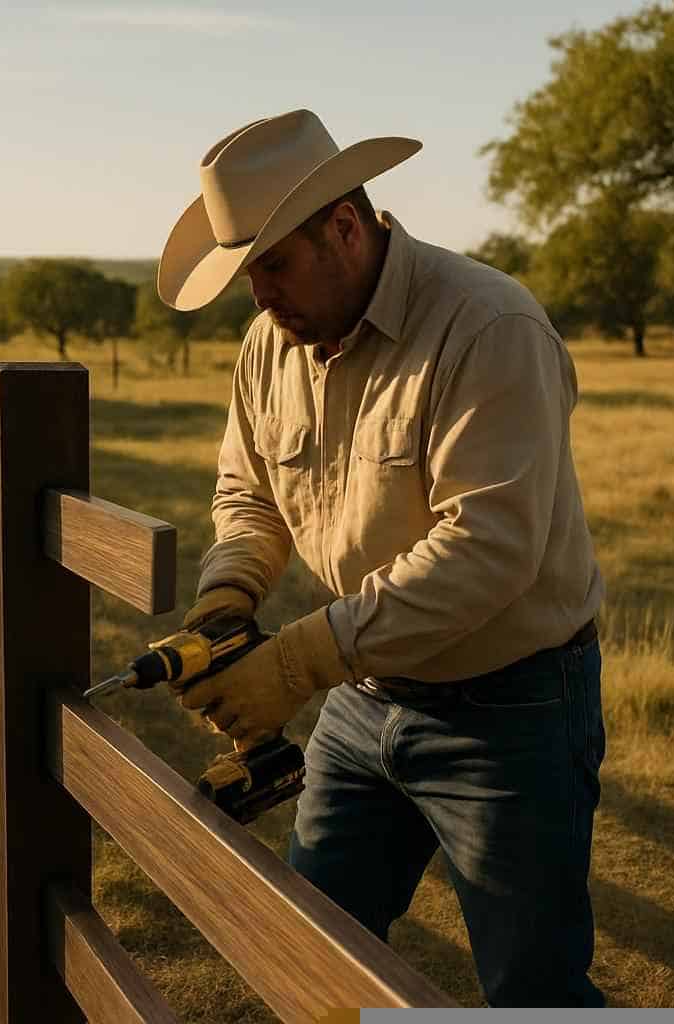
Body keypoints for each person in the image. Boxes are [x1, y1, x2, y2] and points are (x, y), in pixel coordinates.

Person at [157, 109, 606, 1007]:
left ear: (345, 227)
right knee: (312, 951)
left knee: (534, 991)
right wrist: (228, 597)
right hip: (362, 697)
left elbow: (487, 550)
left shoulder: (487, 326)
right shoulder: (271, 345)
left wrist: (295, 664)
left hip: (508, 709)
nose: (260, 298)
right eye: (247, 276)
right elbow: (249, 492)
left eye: (274, 266)